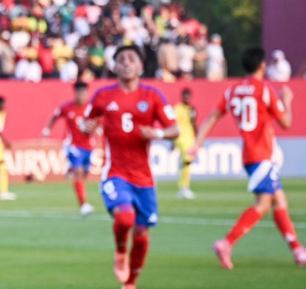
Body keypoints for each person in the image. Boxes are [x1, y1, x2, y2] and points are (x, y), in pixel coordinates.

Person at [190, 47, 306, 269]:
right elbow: (286, 123)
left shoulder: (233, 90)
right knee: (263, 204)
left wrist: (197, 144)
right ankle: (227, 243)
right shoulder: (264, 90)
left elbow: (213, 115)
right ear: (262, 66)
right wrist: (287, 100)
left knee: (279, 201)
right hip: (262, 154)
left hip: (250, 154)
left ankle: (298, 251)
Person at [82, 46, 179, 289]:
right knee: (125, 219)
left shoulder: (153, 96)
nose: (126, 63)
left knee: (142, 233)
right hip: (115, 172)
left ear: (140, 66)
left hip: (144, 178)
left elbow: (174, 129)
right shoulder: (103, 95)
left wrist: (157, 133)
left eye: (131, 59)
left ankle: (130, 283)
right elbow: (86, 120)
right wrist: (86, 127)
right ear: (114, 67)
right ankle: (120, 252)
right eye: (121, 59)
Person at [41, 81, 96, 215]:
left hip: (88, 146)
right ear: (75, 93)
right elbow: (54, 116)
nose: (81, 95)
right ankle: (83, 205)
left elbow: (100, 121)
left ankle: (70, 168)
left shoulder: (91, 108)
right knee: (78, 172)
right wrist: (47, 131)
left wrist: (97, 129)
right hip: (73, 145)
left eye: (84, 92)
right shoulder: (67, 108)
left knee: (84, 174)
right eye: (79, 92)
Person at [173, 88, 198, 199]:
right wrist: (173, 141)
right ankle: (184, 188)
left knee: (186, 163)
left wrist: (197, 139)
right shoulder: (177, 108)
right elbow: (174, 124)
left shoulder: (191, 109)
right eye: (185, 97)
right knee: (187, 161)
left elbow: (194, 124)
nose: (187, 99)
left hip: (190, 139)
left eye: (188, 97)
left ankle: (183, 186)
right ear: (182, 97)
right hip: (181, 138)